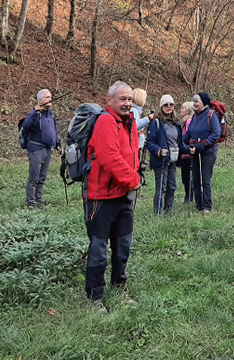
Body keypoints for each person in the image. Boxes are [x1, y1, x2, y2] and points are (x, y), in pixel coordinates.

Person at [83, 81, 142, 313]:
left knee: (123, 246)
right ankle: (95, 297)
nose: (127, 103)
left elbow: (131, 156)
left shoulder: (129, 123)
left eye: (129, 99)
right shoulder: (106, 121)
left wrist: (133, 177)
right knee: (99, 249)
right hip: (102, 197)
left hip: (123, 196)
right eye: (122, 99)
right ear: (110, 100)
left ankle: (119, 287)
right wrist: (134, 180)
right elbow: (109, 158)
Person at [146, 94, 188, 215]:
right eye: (166, 105)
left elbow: (179, 143)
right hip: (161, 160)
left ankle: (168, 211)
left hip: (173, 160)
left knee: (172, 186)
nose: (168, 107)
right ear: (161, 106)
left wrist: (189, 150)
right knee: (161, 188)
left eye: (171, 104)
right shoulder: (156, 123)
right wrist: (159, 151)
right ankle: (157, 213)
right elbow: (150, 143)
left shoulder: (176, 124)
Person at [20, 89, 61, 209]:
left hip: (48, 149)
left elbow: (54, 130)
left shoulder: (51, 114)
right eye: (47, 97)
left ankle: (39, 199)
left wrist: (58, 144)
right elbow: (26, 126)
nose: (50, 99)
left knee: (42, 177)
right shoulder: (34, 114)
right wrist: (33, 112)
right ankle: (31, 202)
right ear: (40, 100)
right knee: (34, 176)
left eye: (50, 97)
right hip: (36, 149)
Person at [183, 92, 221, 213]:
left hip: (208, 151)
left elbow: (216, 133)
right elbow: (189, 132)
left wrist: (204, 144)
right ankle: (198, 204)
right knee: (195, 178)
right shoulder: (195, 116)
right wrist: (181, 141)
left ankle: (207, 206)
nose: (194, 104)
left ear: (204, 103)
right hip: (194, 150)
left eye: (197, 101)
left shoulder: (211, 114)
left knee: (205, 179)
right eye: (193, 101)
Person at [177, 101, 195, 203]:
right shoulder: (185, 121)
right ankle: (188, 197)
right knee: (186, 177)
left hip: (187, 153)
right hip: (185, 153)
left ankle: (189, 198)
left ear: (188, 110)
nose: (181, 110)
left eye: (183, 108)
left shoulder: (188, 122)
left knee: (187, 177)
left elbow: (187, 137)